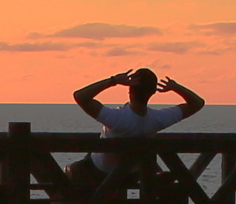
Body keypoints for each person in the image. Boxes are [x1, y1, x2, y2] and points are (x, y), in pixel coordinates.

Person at [70, 68, 205, 182]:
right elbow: (197, 103)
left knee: (71, 172)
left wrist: (113, 81)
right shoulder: (158, 120)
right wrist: (176, 87)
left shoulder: (116, 118)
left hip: (101, 172)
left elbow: (80, 96)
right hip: (132, 174)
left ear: (130, 91)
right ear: (153, 92)